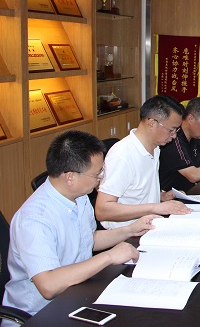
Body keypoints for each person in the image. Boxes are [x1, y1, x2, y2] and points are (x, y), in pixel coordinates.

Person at [1, 131, 157, 320]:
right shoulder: (34, 219)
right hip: (39, 314)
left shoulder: (79, 197)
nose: (101, 178)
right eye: (97, 173)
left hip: (77, 293)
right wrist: (108, 256)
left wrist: (130, 230)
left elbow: (87, 239)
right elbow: (48, 286)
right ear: (70, 177)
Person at [95, 95, 191, 229]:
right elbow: (102, 211)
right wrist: (155, 207)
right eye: (171, 130)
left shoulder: (155, 148)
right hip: (125, 233)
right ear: (151, 123)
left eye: (176, 131)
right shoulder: (123, 155)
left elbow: (133, 192)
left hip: (149, 226)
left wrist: (161, 196)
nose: (174, 136)